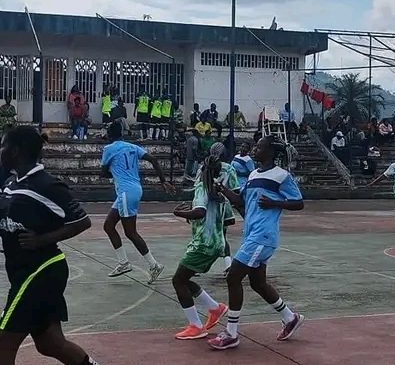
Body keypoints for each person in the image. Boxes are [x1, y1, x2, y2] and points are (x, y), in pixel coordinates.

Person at [0, 126, 99, 365]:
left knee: (3, 342)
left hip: (41, 269)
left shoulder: (46, 184)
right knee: (50, 343)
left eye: (2, 145)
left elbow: (82, 221)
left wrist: (41, 240)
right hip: (20, 269)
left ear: (15, 151)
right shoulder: (12, 182)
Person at [208, 136, 305, 350]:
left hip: (263, 236)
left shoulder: (281, 176)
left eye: (259, 146)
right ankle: (290, 318)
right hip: (252, 234)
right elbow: (241, 200)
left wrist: (275, 203)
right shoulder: (253, 174)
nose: (255, 149)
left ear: (271, 151)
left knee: (233, 276)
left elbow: (299, 203)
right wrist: (223, 190)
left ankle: (232, 333)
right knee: (257, 282)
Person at [100, 122, 174, 282]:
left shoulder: (108, 149)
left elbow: (103, 173)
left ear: (110, 134)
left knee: (130, 232)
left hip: (126, 191)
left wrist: (115, 171)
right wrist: (163, 181)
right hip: (134, 189)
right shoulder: (132, 147)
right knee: (108, 225)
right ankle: (123, 262)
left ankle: (154, 264)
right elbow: (153, 159)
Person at [171, 155, 229, 340]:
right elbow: (215, 215)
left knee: (178, 281)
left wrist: (180, 212)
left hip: (203, 244)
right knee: (184, 279)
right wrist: (192, 213)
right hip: (216, 243)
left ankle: (196, 325)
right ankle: (214, 307)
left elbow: (200, 212)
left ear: (203, 170)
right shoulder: (218, 190)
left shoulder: (202, 187)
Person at [196, 143, 240, 276]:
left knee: (201, 235)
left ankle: (196, 265)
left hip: (204, 205)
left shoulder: (202, 168)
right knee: (221, 236)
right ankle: (228, 264)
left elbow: (197, 187)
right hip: (222, 207)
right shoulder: (228, 169)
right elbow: (235, 189)